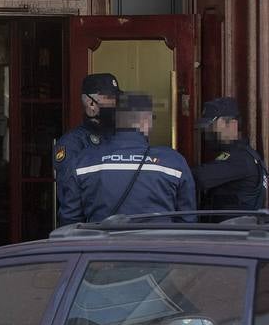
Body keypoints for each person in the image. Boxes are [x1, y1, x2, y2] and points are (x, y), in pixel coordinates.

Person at [59, 93, 195, 224]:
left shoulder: (83, 162)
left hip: (101, 246)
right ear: (145, 121)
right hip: (159, 246)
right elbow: (187, 222)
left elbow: (70, 222)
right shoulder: (173, 162)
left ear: (113, 121)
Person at [54, 73, 121, 223]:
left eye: (117, 99)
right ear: (91, 103)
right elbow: (70, 201)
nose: (116, 104)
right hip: (90, 230)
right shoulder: (71, 143)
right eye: (110, 99)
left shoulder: (121, 136)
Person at [195, 97, 267, 212]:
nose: (207, 132)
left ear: (232, 124)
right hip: (228, 228)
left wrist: (175, 168)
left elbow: (200, 177)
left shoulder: (240, 159)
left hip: (234, 228)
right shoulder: (241, 155)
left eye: (212, 126)